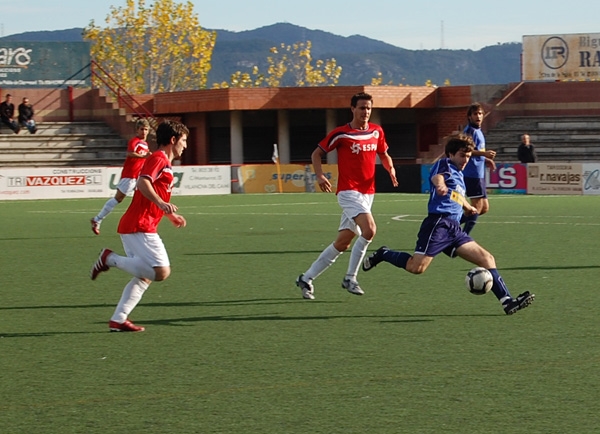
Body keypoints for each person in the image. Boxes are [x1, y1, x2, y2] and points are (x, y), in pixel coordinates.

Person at [362, 133, 534, 315]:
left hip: (454, 228)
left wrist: (467, 206)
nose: (465, 160)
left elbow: (455, 195)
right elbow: (438, 178)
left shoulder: (460, 174)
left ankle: (507, 301)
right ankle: (383, 253)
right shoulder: (445, 164)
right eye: (462, 155)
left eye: (468, 156)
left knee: (487, 259)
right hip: (438, 224)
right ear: (451, 154)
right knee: (416, 267)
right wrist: (440, 185)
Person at [295, 92, 398, 300]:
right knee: (370, 230)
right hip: (348, 191)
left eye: (368, 108)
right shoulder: (341, 133)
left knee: (343, 243)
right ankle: (350, 277)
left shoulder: (377, 131)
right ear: (352, 109)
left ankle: (306, 278)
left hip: (368, 193)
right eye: (361, 108)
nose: (365, 112)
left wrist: (391, 169)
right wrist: (320, 175)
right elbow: (317, 153)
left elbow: (383, 154)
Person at [89, 120, 189, 332]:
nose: (185, 145)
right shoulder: (158, 158)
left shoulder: (165, 163)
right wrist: (162, 203)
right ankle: (109, 258)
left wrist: (169, 215)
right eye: (184, 140)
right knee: (161, 272)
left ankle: (118, 319)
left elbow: (153, 192)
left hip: (138, 225)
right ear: (173, 140)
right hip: (139, 225)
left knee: (144, 277)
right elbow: (143, 182)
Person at [91, 118, 151, 235]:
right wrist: (144, 157)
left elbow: (143, 160)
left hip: (138, 177)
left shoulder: (145, 144)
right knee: (118, 198)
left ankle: (140, 223)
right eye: (141, 129)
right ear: (137, 130)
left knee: (144, 198)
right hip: (129, 176)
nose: (144, 132)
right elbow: (130, 153)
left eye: (146, 129)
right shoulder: (134, 141)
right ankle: (97, 219)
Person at [460, 102, 496, 236]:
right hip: (471, 174)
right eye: (475, 114)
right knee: (476, 208)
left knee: (484, 208)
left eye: (480, 113)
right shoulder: (470, 131)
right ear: (469, 116)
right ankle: (462, 238)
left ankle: (451, 227)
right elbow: (466, 150)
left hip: (478, 173)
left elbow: (476, 151)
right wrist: (484, 154)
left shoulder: (478, 131)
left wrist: (486, 160)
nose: (478, 116)